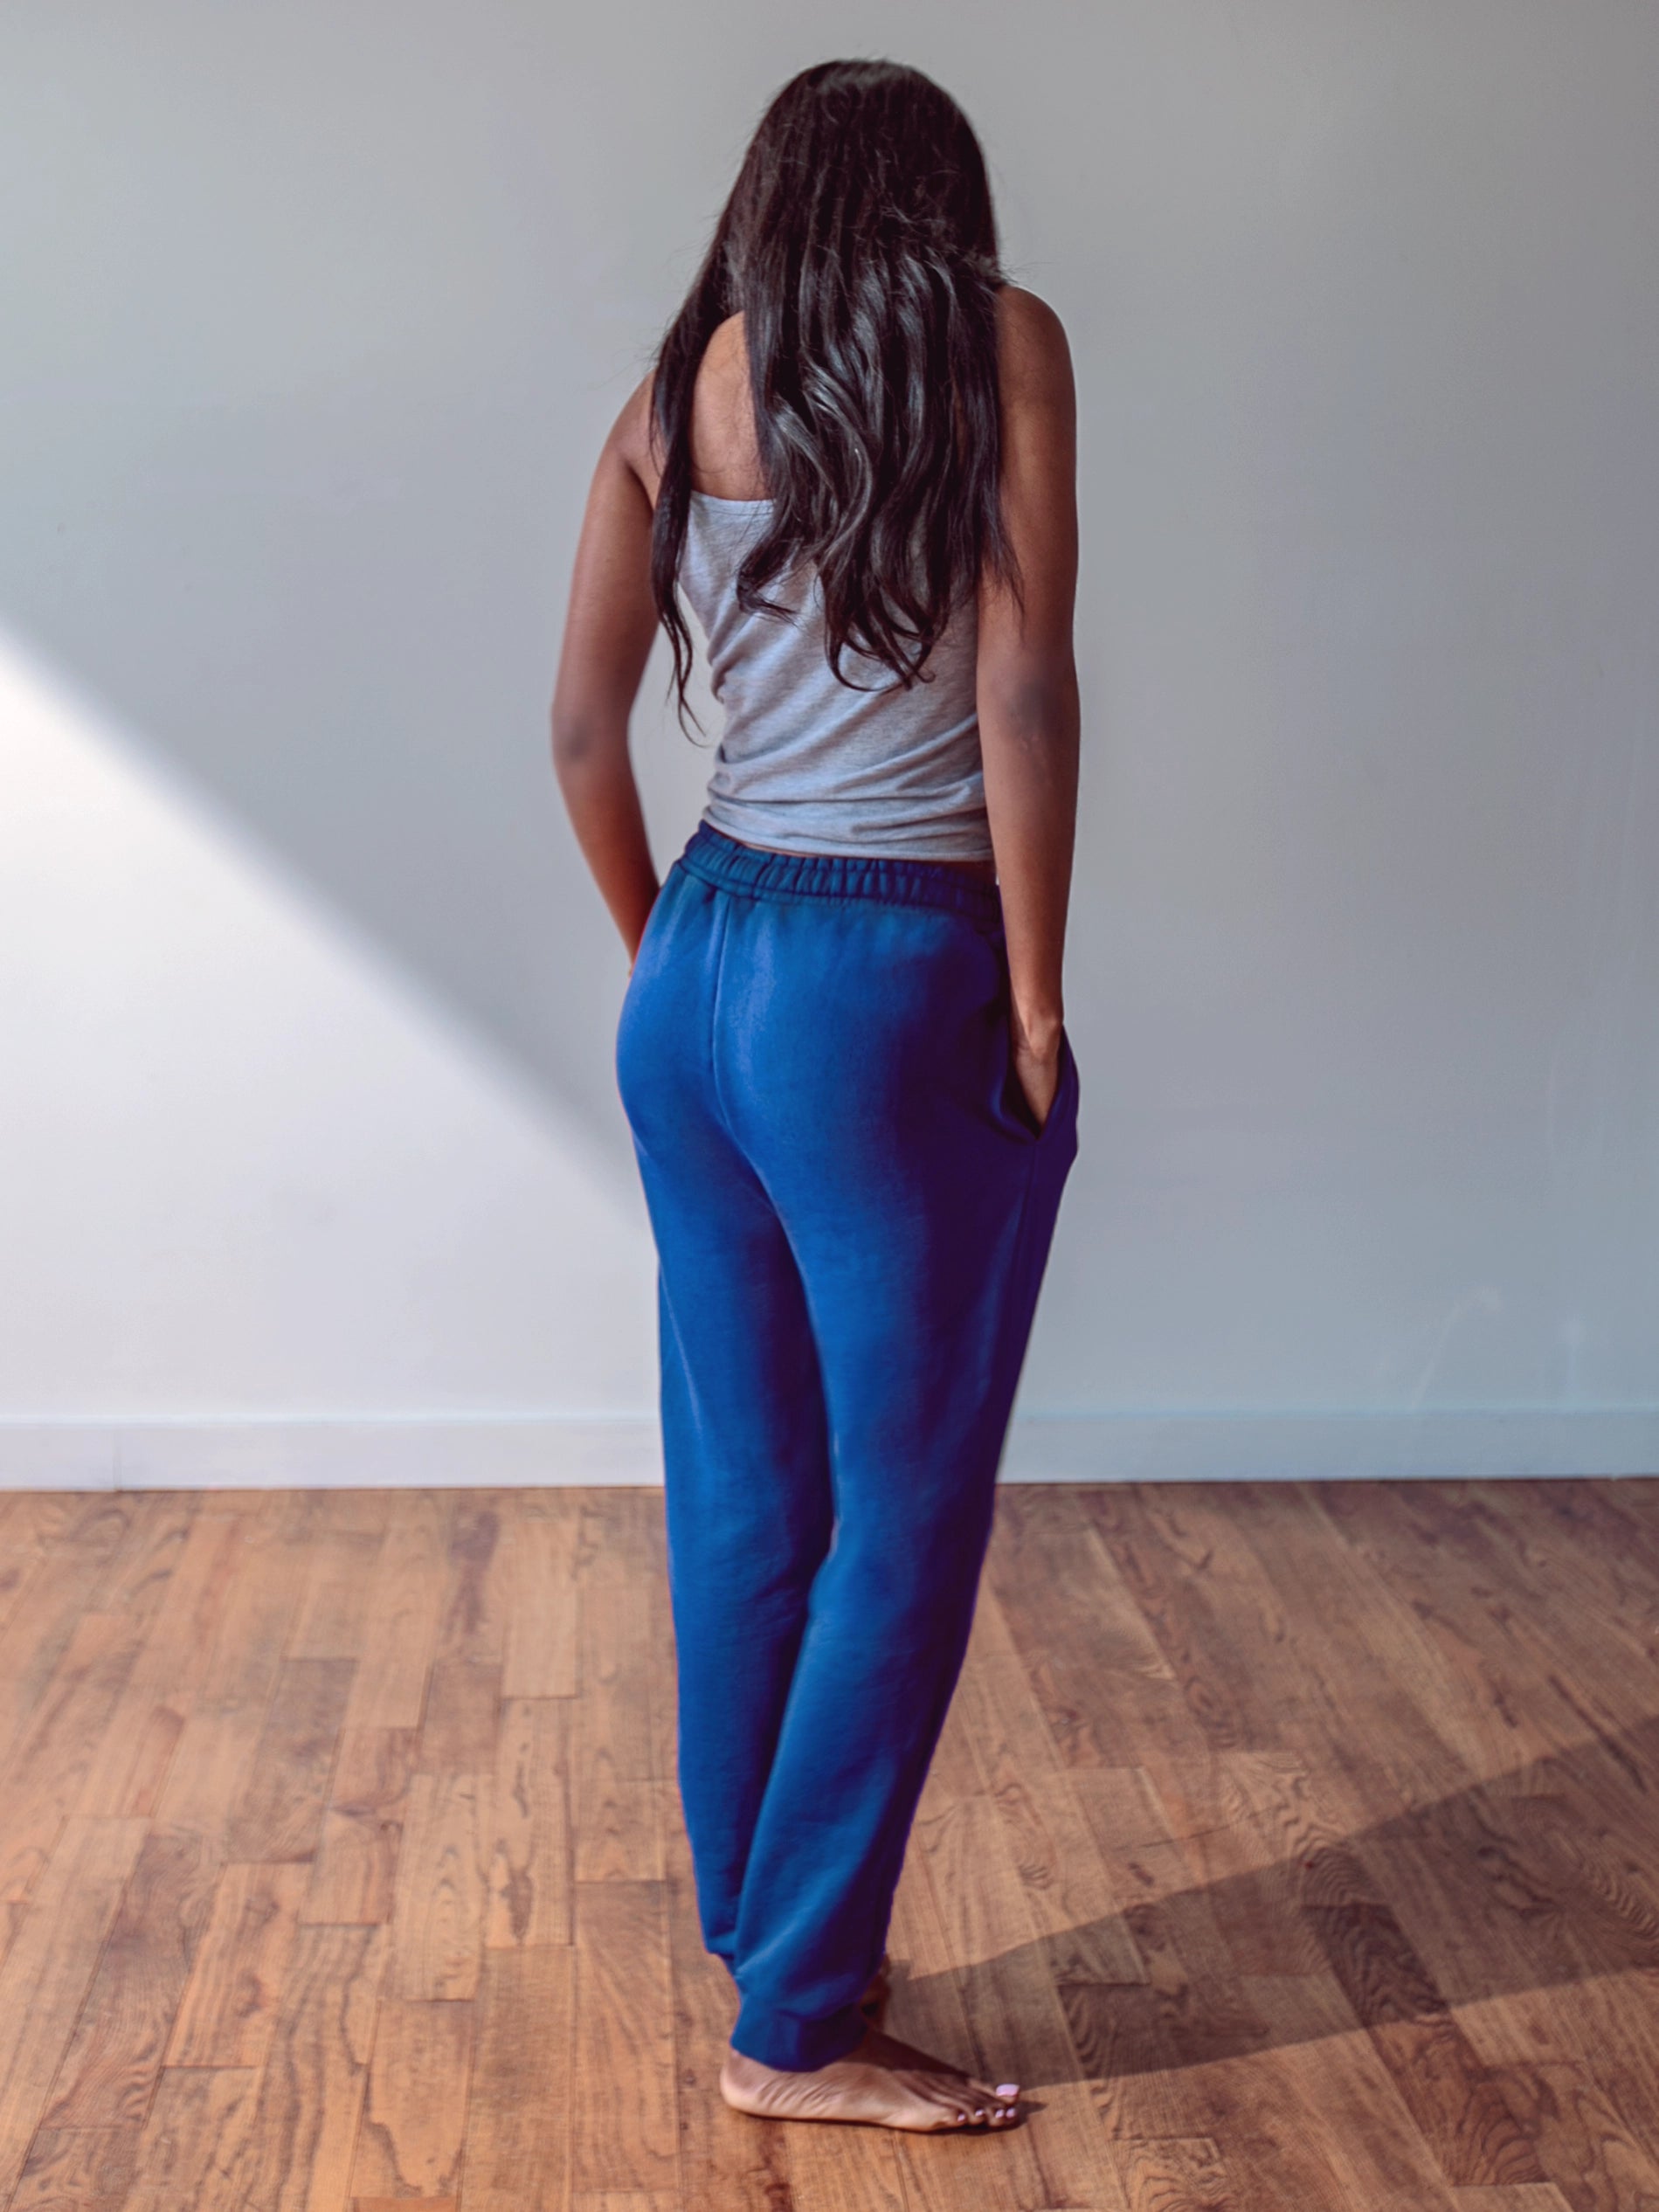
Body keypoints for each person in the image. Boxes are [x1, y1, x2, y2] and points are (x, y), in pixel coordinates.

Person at [551, 57, 1079, 2135]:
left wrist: (664, 962)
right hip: (889, 970)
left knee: (749, 1494)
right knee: (905, 1508)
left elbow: (580, 732)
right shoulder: (997, 344)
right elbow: (1021, 685)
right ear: (937, 204)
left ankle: (769, 1937)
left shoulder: (666, 392)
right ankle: (797, 2032)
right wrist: (1029, 998)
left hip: (700, 961)